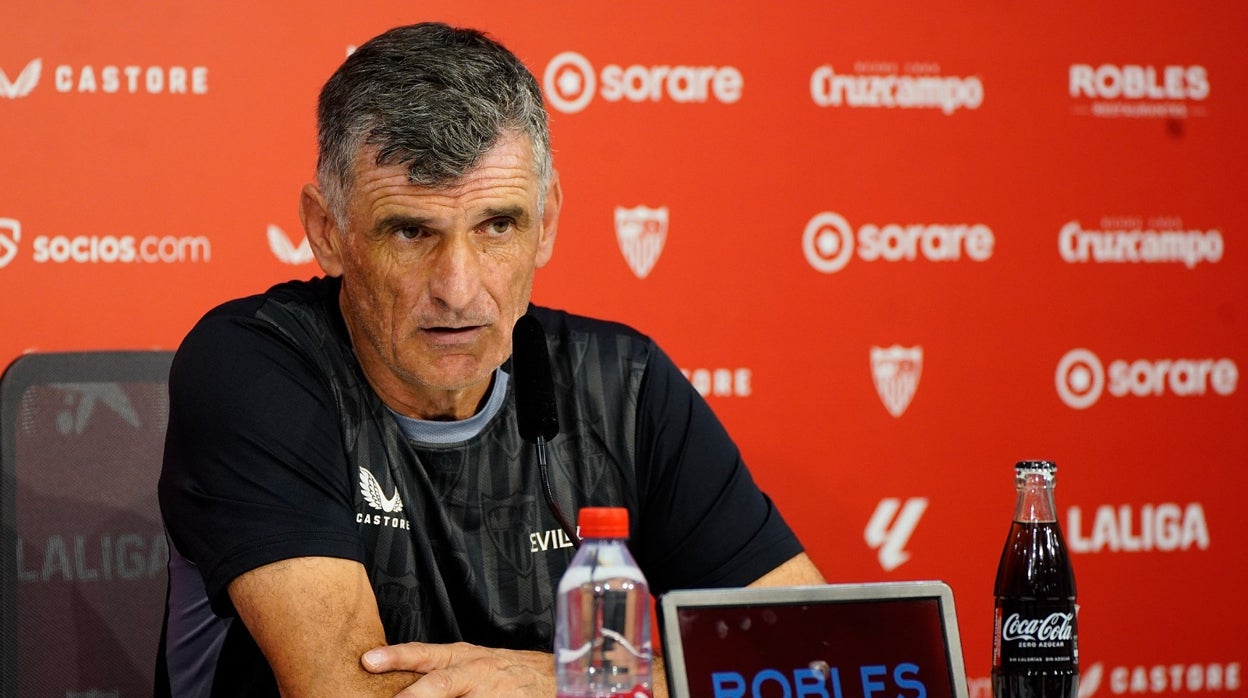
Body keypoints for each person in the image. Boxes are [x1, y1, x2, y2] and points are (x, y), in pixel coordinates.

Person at [156, 21, 823, 697]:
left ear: (548, 222)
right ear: (328, 231)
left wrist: (563, 683)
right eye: (412, 232)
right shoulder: (254, 368)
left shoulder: (623, 386)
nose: (459, 289)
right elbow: (351, 694)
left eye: (497, 226)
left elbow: (816, 662)